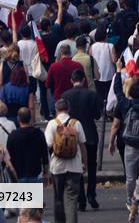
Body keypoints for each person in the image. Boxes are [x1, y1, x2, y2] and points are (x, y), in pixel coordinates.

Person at [109, 77, 139, 207]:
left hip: (129, 144)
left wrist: (112, 142)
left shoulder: (124, 104)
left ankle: (131, 200)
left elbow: (115, 125)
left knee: (130, 177)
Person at [62, 67, 101, 210]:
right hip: (90, 133)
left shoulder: (66, 95)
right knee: (91, 165)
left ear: (72, 81)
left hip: (72, 134)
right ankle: (91, 193)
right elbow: (98, 115)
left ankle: (81, 199)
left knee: (76, 167)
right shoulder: (91, 94)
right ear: (84, 80)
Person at [44, 97, 87, 223]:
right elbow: (82, 145)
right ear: (68, 109)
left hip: (57, 166)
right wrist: (84, 163)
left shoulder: (52, 124)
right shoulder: (76, 123)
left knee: (58, 198)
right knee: (72, 199)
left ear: (56, 109)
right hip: (75, 166)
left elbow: (49, 144)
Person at [6, 106, 49, 185]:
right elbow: (45, 156)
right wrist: (46, 173)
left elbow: (9, 157)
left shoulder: (13, 136)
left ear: (18, 119)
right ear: (30, 118)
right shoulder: (39, 134)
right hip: (36, 173)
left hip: (18, 175)